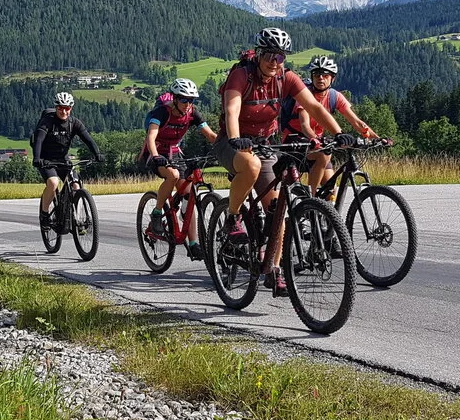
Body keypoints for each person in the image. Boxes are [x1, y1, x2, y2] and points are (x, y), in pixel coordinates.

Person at [212, 28, 347, 296]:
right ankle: (232, 217)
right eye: (270, 55)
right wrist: (236, 138)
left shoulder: (286, 77)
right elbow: (232, 109)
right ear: (259, 54)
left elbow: (315, 107)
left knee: (277, 209)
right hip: (231, 141)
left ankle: (274, 270)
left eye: (281, 57)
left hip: (264, 144)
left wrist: (338, 132)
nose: (275, 61)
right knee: (249, 166)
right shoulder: (242, 75)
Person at [139, 77, 219, 260]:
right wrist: (156, 156)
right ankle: (157, 213)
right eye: (184, 99)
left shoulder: (192, 113)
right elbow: (151, 137)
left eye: (191, 100)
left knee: (189, 196)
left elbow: (210, 135)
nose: (188, 104)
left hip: (175, 153)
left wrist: (227, 145)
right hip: (156, 151)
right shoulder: (161, 112)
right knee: (172, 175)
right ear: (174, 98)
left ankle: (193, 243)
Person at [280, 56, 378, 193]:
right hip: (295, 141)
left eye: (325, 75)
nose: (320, 78)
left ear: (333, 78)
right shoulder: (305, 95)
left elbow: (356, 121)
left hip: (318, 145)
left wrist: (376, 138)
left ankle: (319, 204)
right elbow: (305, 125)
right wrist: (316, 139)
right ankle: (310, 199)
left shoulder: (334, 96)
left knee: (331, 190)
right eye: (316, 75)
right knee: (323, 155)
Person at [31, 92, 102, 229]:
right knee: (53, 183)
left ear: (71, 108)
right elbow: (38, 140)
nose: (64, 111)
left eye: (67, 108)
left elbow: (88, 139)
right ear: (56, 107)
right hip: (46, 160)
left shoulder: (74, 123)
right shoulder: (48, 121)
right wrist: (37, 158)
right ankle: (45, 215)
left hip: (63, 159)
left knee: (76, 185)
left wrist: (97, 153)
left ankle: (75, 217)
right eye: (60, 108)